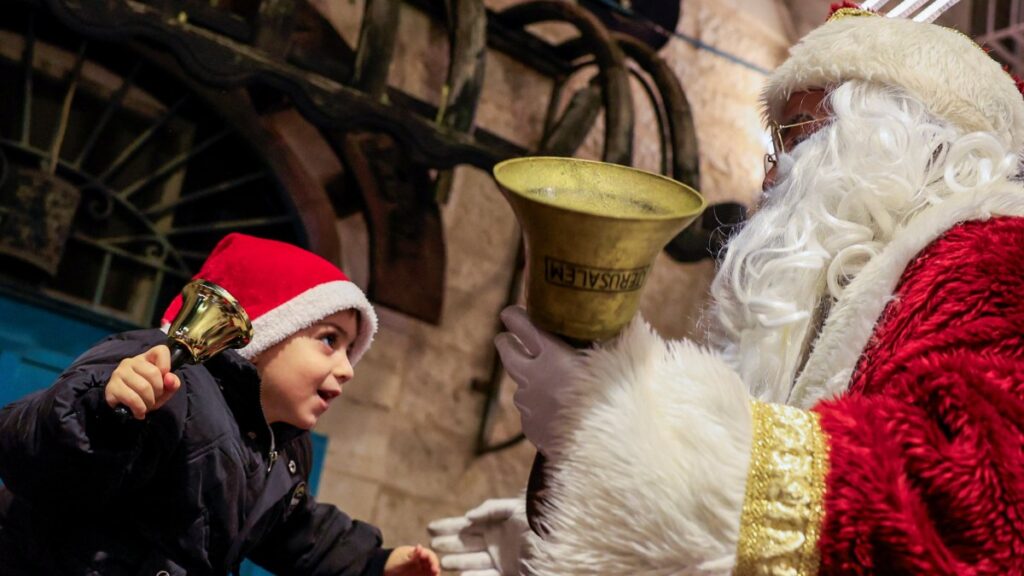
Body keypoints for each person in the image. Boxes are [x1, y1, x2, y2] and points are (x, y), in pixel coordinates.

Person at [430, 6, 1024, 575]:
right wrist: (576, 522)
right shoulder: (860, 281)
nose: (770, 175)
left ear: (890, 136)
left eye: (795, 136)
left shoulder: (993, 253)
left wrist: (614, 416)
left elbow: (975, 507)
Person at [0, 233, 440, 576]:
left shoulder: (284, 447)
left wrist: (374, 563)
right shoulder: (170, 377)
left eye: (350, 350)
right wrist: (103, 412)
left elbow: (295, 531)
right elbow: (31, 451)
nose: (347, 369)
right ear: (262, 331)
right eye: (329, 340)